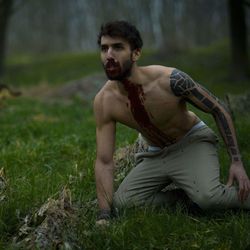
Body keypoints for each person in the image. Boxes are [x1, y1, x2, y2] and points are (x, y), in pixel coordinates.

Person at [94, 20, 250, 225]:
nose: (109, 55)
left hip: (191, 142)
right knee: (124, 203)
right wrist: (104, 215)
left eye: (118, 47)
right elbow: (104, 161)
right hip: (155, 153)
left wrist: (236, 161)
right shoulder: (104, 101)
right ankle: (187, 198)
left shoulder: (170, 80)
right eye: (104, 48)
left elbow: (218, 109)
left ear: (136, 53)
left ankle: (212, 196)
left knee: (209, 198)